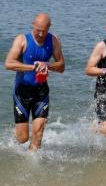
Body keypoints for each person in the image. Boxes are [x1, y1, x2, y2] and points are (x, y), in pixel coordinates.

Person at [4, 13, 65, 151]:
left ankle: (33, 161)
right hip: (22, 92)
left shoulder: (53, 40)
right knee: (23, 138)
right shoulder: (22, 40)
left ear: (49, 27)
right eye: (38, 30)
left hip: (41, 92)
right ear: (33, 25)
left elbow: (62, 67)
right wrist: (34, 67)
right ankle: (17, 133)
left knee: (38, 133)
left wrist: (48, 65)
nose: (41, 34)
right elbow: (8, 64)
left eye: (44, 31)